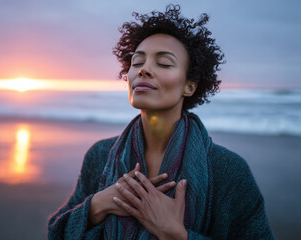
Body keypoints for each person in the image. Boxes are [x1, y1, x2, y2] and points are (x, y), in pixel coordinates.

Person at [48, 5, 275, 240]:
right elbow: (57, 233)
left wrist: (176, 234)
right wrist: (97, 205)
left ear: (190, 85)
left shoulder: (228, 170)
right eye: (137, 63)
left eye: (164, 63)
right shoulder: (100, 154)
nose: (144, 70)